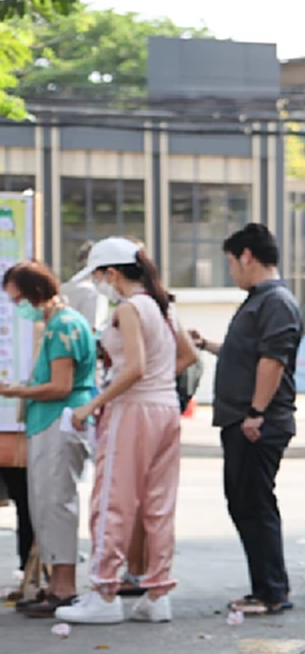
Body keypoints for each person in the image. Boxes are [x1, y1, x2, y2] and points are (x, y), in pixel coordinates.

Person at [52, 238, 196, 624]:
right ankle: (157, 593)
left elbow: (134, 368)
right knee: (158, 504)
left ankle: (104, 592)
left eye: (99, 275)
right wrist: (158, 383)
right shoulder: (163, 305)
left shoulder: (129, 308)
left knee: (112, 500)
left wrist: (92, 405)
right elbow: (187, 355)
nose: (100, 283)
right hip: (165, 408)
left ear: (111, 273)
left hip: (132, 410)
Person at [189, 224, 302, 616]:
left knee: (254, 504)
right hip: (243, 419)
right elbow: (249, 355)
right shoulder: (259, 301)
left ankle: (272, 591)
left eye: (231, 262)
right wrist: (207, 345)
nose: (231, 271)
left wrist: (256, 412)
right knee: (244, 502)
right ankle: (266, 587)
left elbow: (272, 361)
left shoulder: (276, 301)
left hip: (258, 423)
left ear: (247, 256)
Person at [1, 263, 95, 618]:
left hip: (60, 420)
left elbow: (60, 385)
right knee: (45, 505)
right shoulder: (57, 324)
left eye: (19, 299)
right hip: (49, 421)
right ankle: (55, 584)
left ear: (34, 293)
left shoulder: (64, 326)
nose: (18, 307)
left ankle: (64, 587)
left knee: (56, 504)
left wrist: (16, 391)